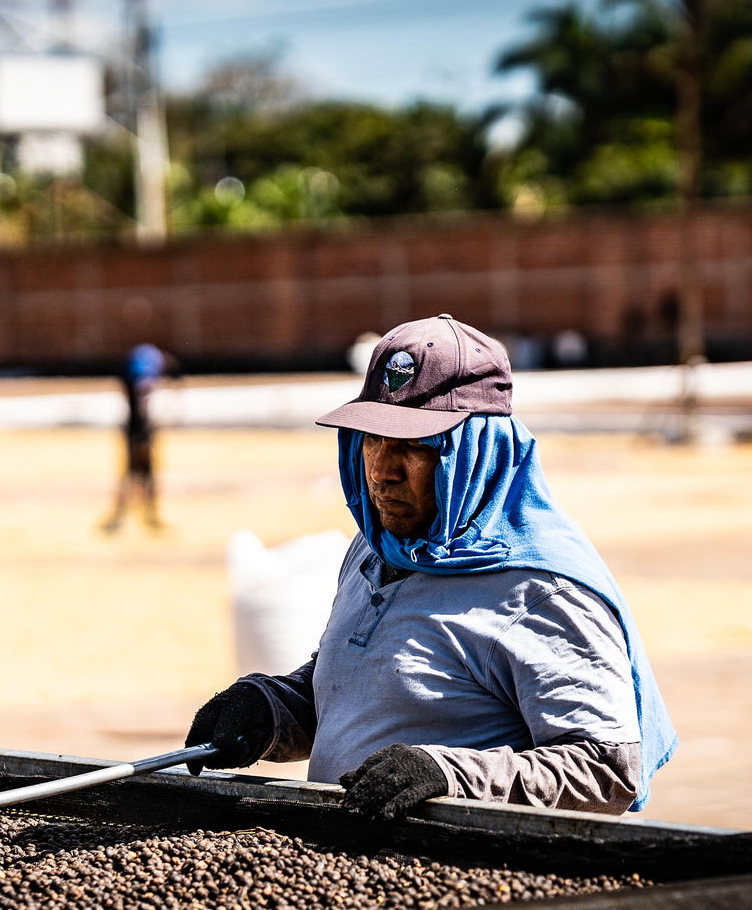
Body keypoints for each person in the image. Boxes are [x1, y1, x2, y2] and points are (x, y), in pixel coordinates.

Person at [185, 314, 676, 819]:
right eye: (372, 438)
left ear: (476, 451)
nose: (381, 470)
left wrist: (449, 776)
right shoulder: (376, 550)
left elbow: (607, 770)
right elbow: (370, 694)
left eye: (415, 446)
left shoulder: (540, 590)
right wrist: (269, 710)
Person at [103, 342, 178, 532]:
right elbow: (143, 388)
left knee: (133, 470)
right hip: (139, 424)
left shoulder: (143, 357)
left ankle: (133, 510)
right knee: (142, 469)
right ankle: (147, 511)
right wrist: (144, 430)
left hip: (134, 420)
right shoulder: (151, 364)